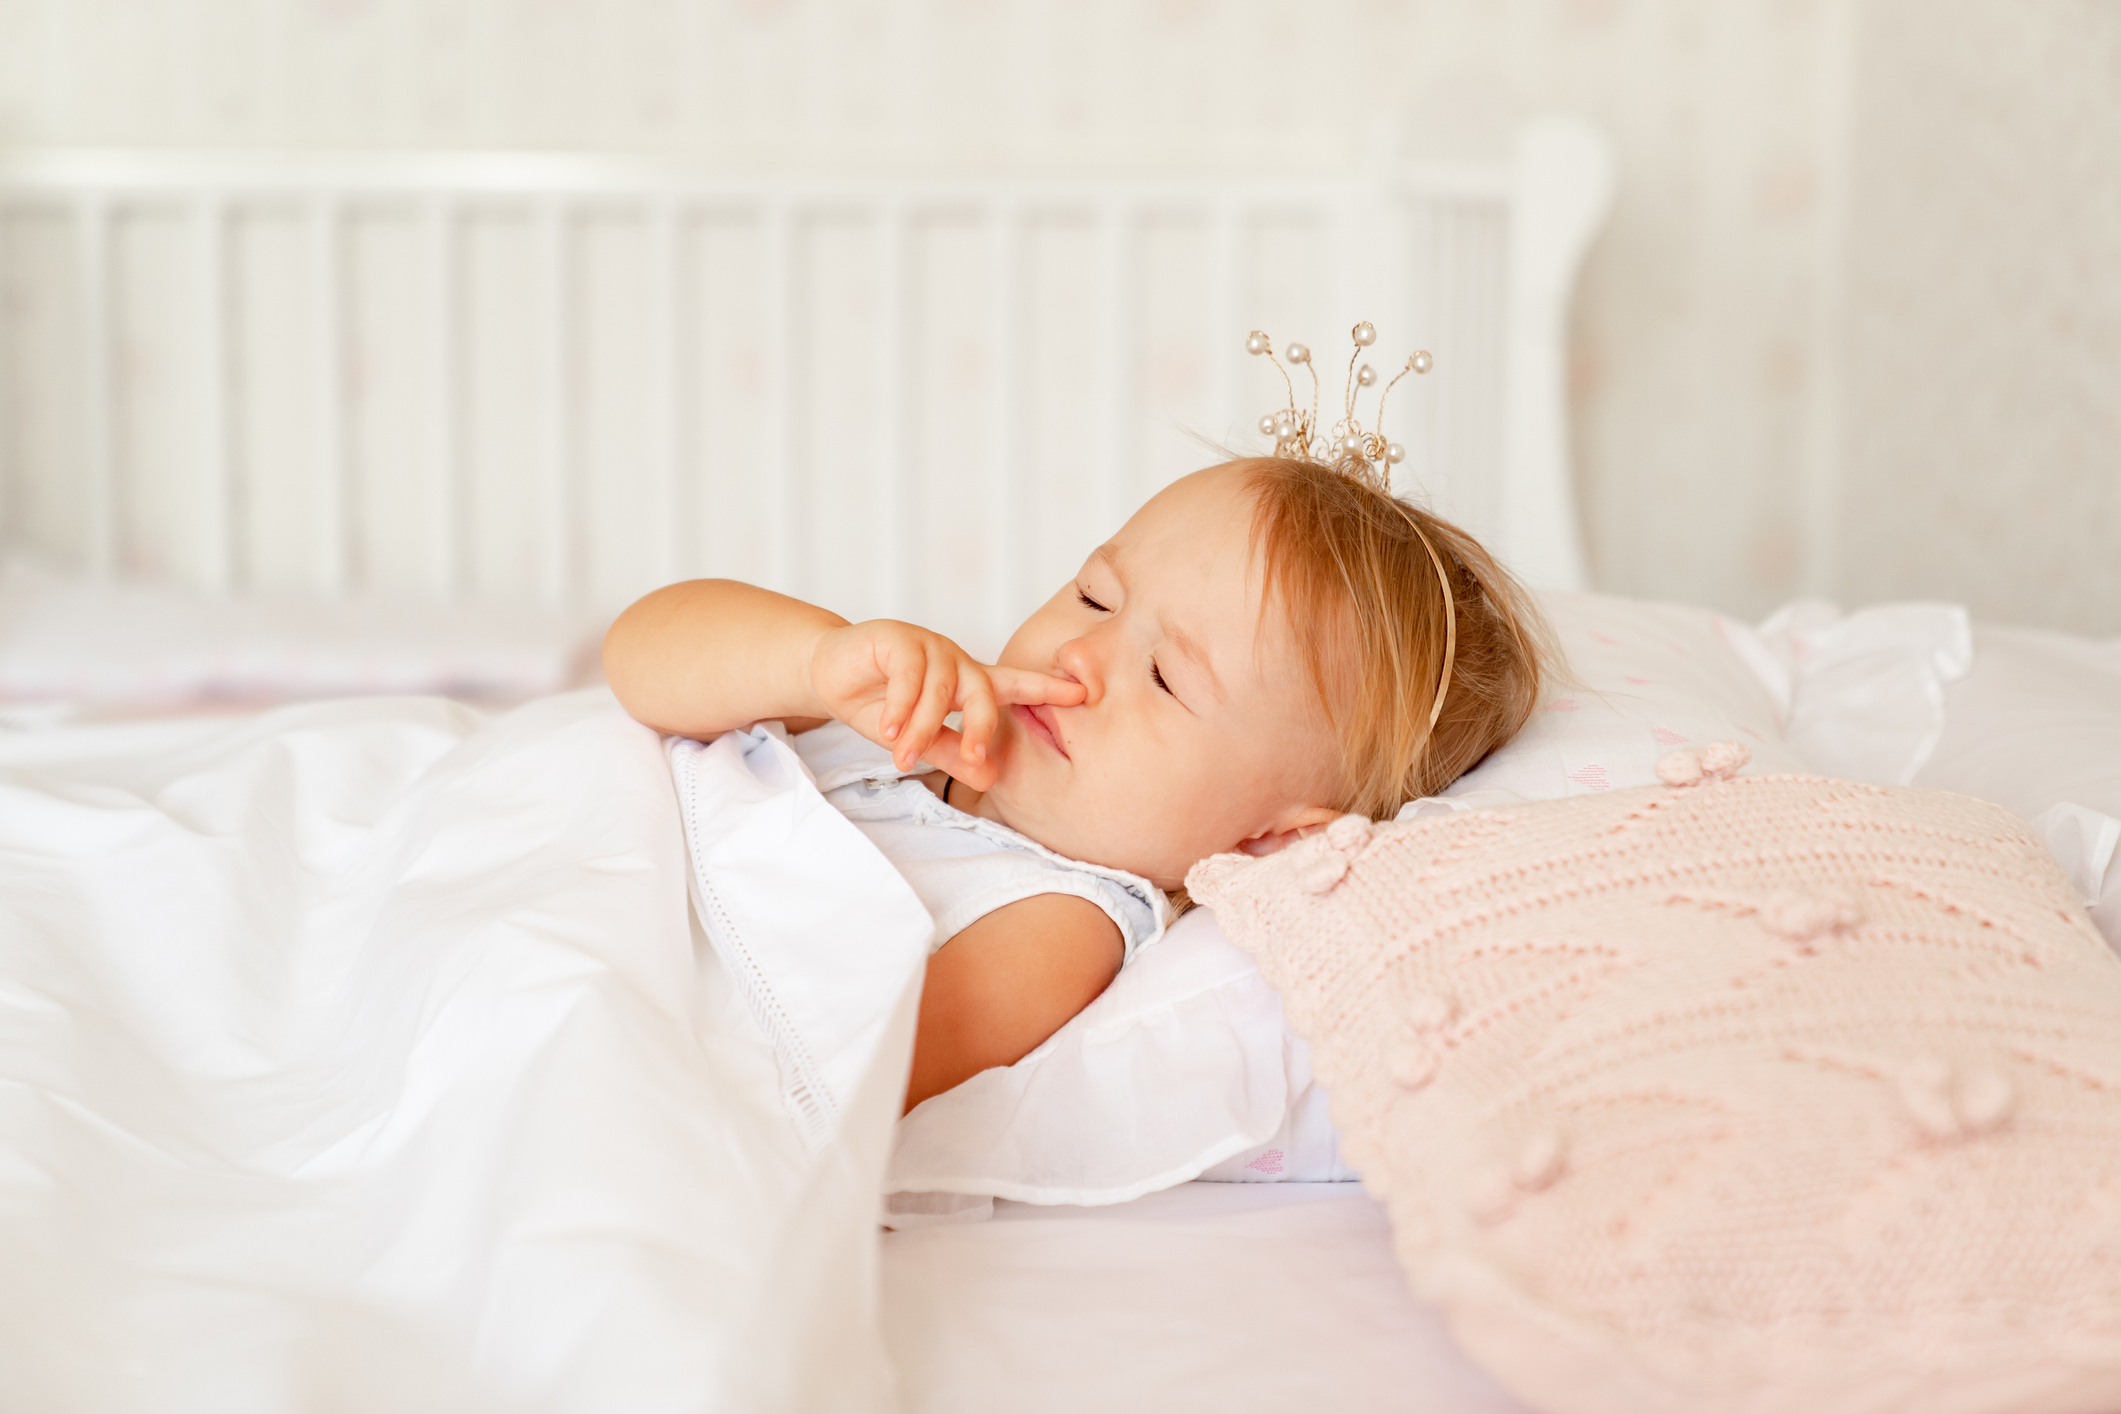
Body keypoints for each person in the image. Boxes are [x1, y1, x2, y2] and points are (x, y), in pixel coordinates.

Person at [607, 438, 1545, 1111]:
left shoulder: (1060, 920)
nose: (1082, 654)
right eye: (1096, 594)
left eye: (1167, 678)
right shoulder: (895, 688)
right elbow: (636, 657)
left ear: (1275, 834)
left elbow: (838, 1070)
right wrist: (809, 660)